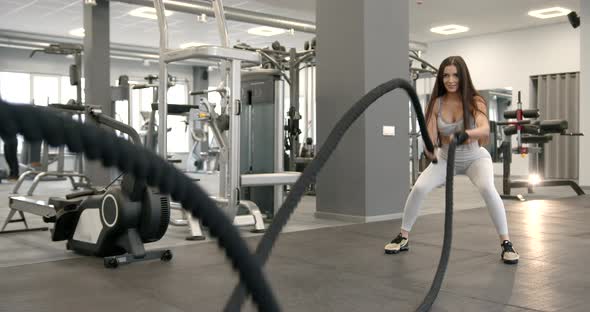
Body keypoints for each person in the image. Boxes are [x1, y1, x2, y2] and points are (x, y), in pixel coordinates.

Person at [384, 56, 519, 264]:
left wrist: (466, 134)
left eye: (455, 75)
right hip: (446, 157)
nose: (450, 80)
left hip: (474, 157)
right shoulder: (437, 103)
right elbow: (429, 135)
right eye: (446, 75)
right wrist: (429, 149)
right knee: (419, 189)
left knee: (487, 188)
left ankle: (506, 243)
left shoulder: (475, 100)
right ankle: (403, 236)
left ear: (463, 76)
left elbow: (484, 128)